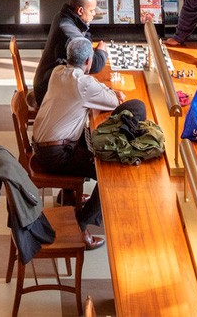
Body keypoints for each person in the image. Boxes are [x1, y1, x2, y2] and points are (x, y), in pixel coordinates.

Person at [27, 36, 119, 244]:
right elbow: (112, 100)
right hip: (56, 155)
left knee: (86, 141)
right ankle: (82, 222)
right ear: (88, 61)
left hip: (41, 145)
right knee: (108, 172)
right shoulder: (83, 84)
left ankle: (67, 196)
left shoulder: (57, 72)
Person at [31, 0, 101, 96]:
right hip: (47, 92)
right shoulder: (69, 32)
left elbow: (86, 37)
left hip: (48, 81)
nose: (94, 13)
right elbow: (93, 64)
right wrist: (102, 52)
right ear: (80, 11)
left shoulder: (61, 16)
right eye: (91, 10)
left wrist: (85, 25)